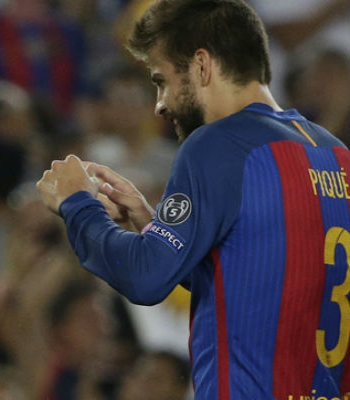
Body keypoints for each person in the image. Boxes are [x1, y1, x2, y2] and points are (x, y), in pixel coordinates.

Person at [36, 0, 350, 398]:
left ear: (201, 65)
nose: (160, 104)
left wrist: (78, 204)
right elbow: (269, 280)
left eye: (161, 80)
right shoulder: (335, 153)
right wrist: (155, 228)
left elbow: (145, 277)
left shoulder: (218, 144)